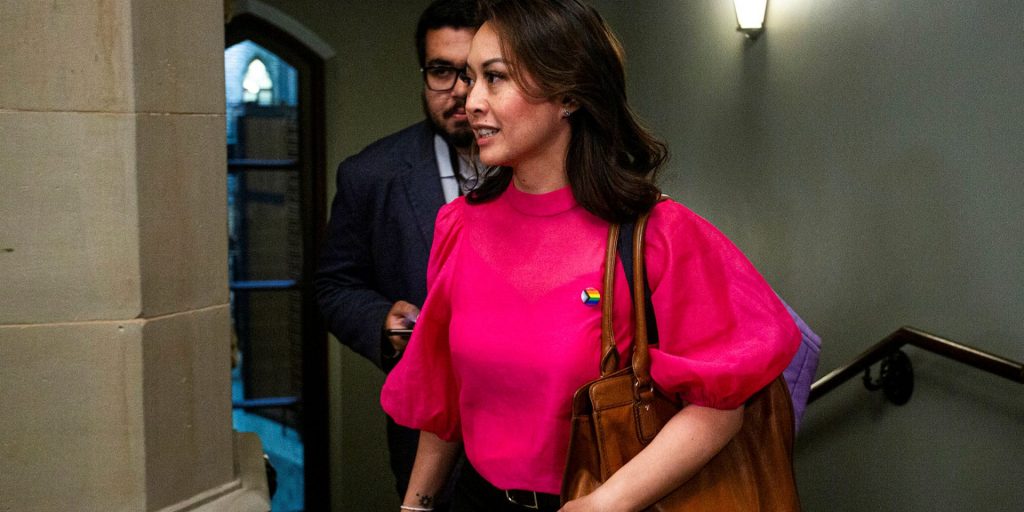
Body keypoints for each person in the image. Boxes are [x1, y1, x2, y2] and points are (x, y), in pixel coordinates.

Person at [381, 1, 801, 511]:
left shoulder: (659, 235)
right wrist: (415, 506)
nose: (471, 101)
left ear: (568, 95)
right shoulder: (460, 228)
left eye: (495, 79)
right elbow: (442, 394)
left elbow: (720, 404)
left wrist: (606, 503)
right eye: (470, 79)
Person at [313, 0, 480, 504]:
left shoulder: (544, 166)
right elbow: (333, 285)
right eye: (441, 72)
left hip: (543, 439)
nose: (458, 92)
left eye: (473, 73)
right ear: (423, 73)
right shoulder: (371, 174)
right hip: (427, 440)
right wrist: (381, 322)